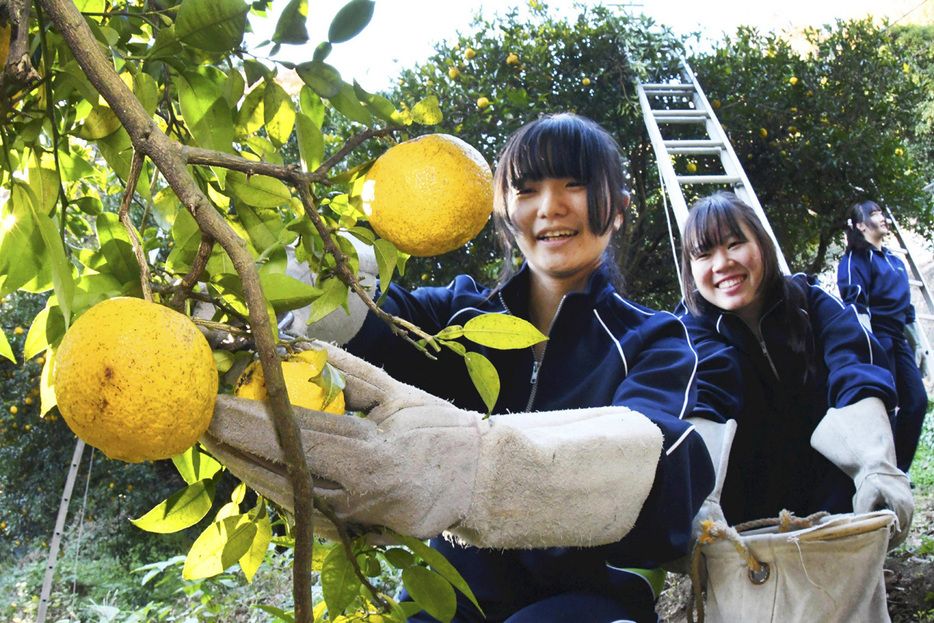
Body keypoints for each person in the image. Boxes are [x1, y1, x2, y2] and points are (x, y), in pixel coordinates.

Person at [204, 113, 716, 623]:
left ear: (619, 209)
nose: (550, 207)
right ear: (505, 214)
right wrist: (293, 278)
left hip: (593, 596)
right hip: (455, 591)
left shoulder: (654, 341)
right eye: (527, 189)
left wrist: (476, 467)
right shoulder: (460, 317)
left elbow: (660, 463)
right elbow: (377, 325)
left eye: (575, 184)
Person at [675, 191, 913, 546]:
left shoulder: (811, 301)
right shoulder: (687, 332)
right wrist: (699, 501)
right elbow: (705, 393)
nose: (722, 263)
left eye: (735, 244)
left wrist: (873, 467)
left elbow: (856, 368)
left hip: (833, 509)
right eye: (704, 254)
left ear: (763, 246)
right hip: (748, 530)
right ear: (691, 271)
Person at [837, 200, 929, 475]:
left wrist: (919, 347)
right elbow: (855, 304)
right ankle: (881, 471)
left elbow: (908, 310)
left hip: (898, 337)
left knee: (917, 401)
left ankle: (900, 470)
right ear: (862, 224)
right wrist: (867, 346)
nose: (883, 217)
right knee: (885, 407)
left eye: (881, 212)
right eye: (875, 214)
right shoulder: (855, 258)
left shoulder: (895, 261)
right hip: (875, 336)